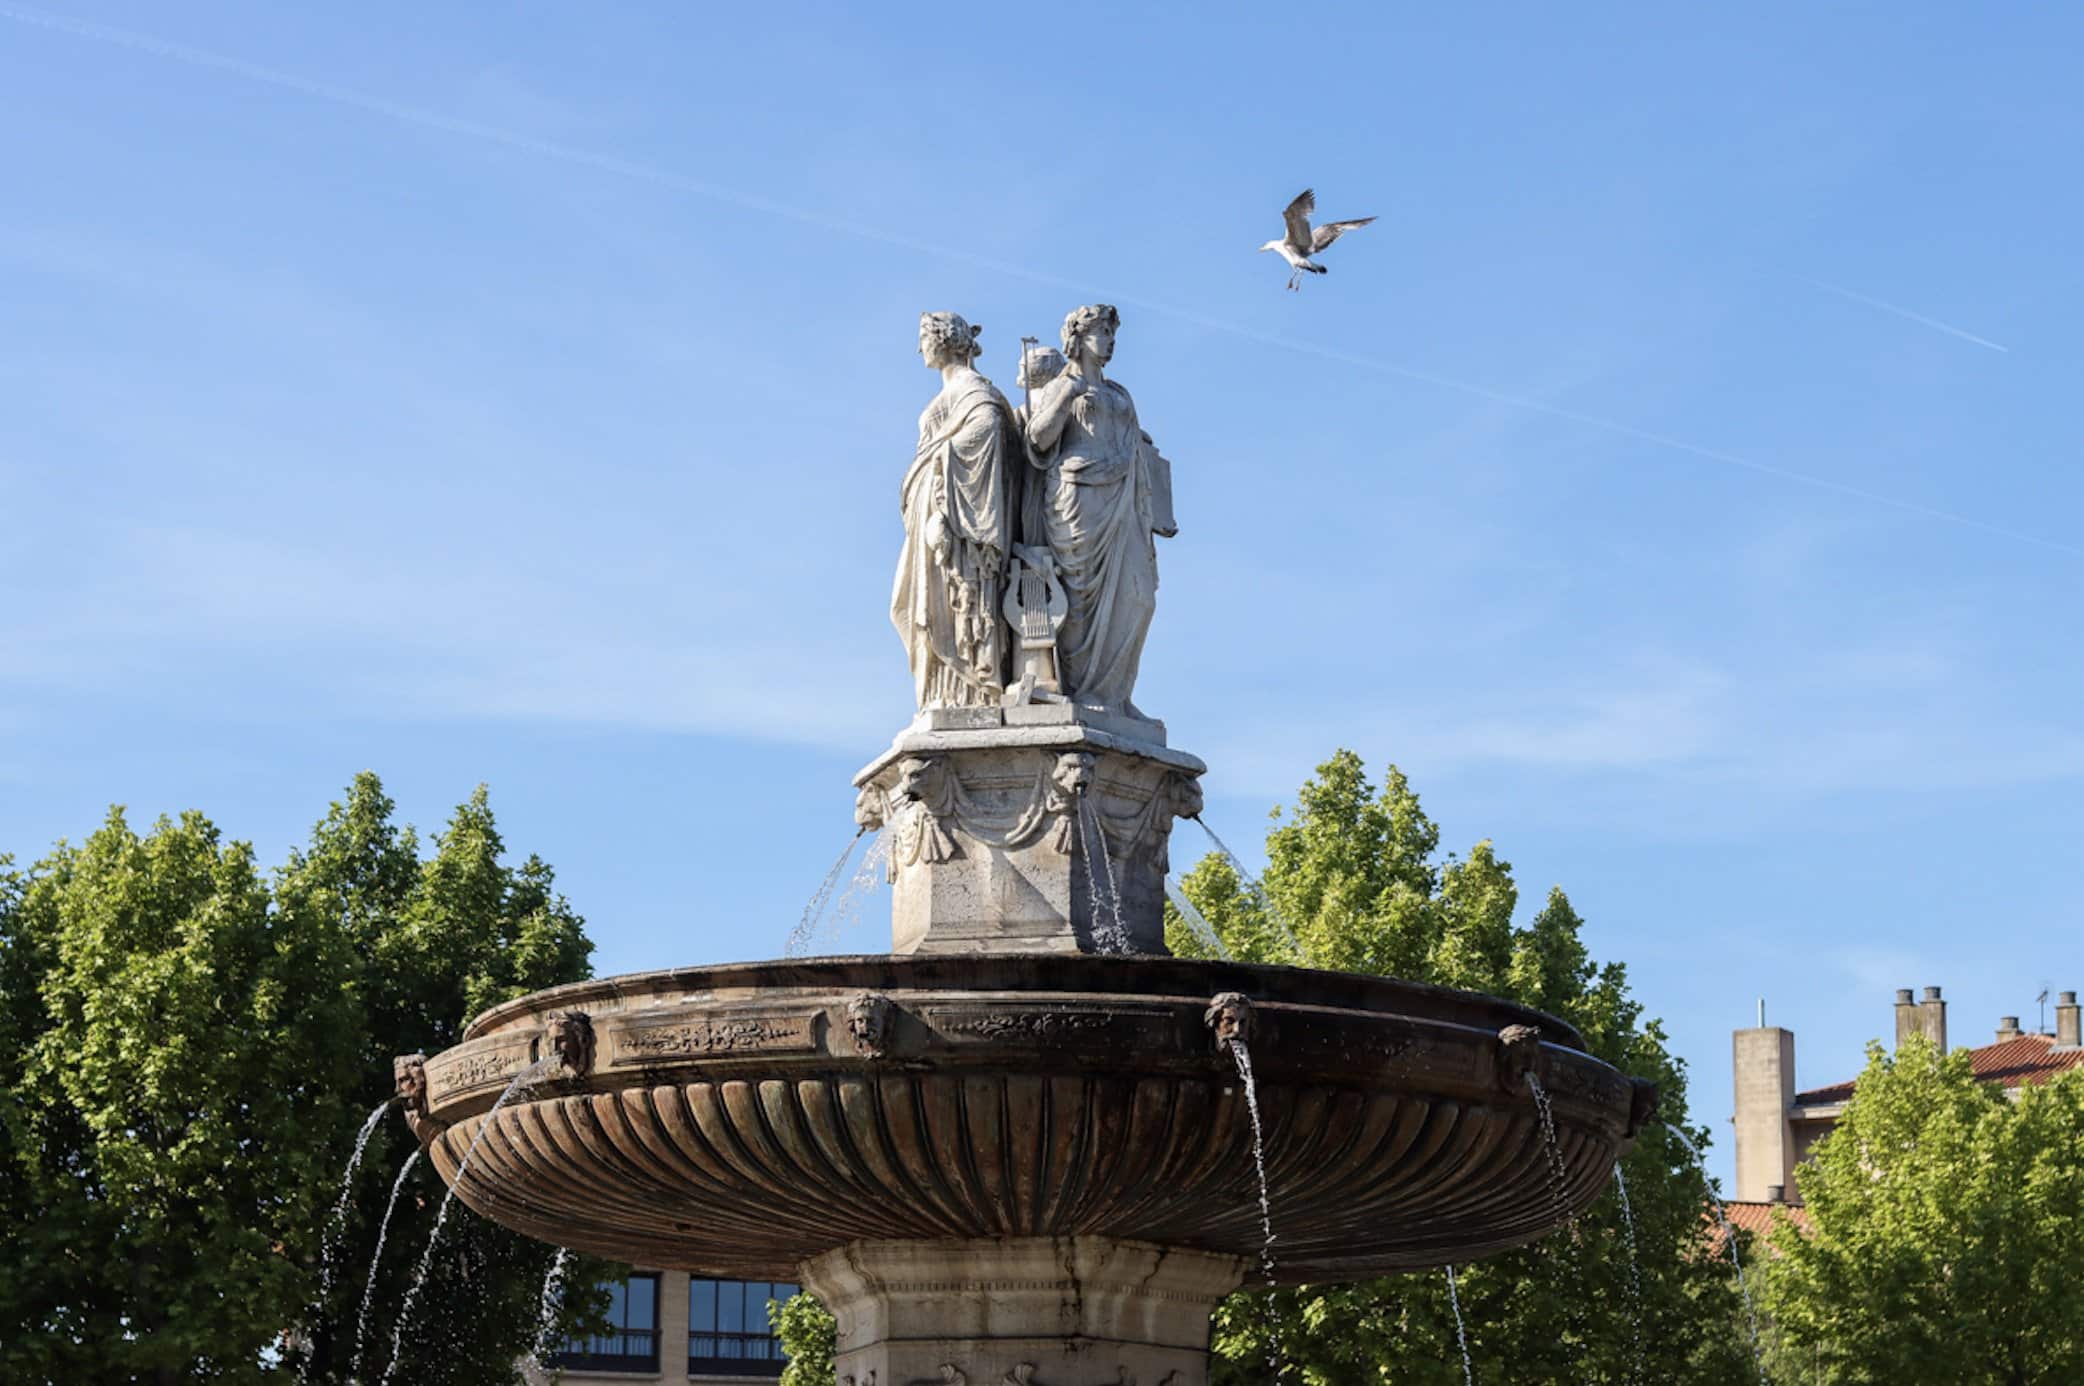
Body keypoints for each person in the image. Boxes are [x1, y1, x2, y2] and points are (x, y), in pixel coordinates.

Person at [1021, 305, 1172, 717]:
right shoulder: (1063, 385)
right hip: (1078, 502)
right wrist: (1066, 398)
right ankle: (1080, 692)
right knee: (1080, 599)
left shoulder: (1120, 393)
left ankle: (1115, 694)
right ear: (1078, 338)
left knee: (1138, 598)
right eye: (1101, 333)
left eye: (1111, 334)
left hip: (1123, 504)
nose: (1109, 342)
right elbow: (1038, 441)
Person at [891, 311, 1017, 709]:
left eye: (924, 337)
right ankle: (939, 693)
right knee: (912, 606)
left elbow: (989, 427)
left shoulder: (972, 388)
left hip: (956, 518)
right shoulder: (952, 392)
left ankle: (965, 692)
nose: (919, 347)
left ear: (946, 340)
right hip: (929, 511)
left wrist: (943, 496)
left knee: (952, 601)